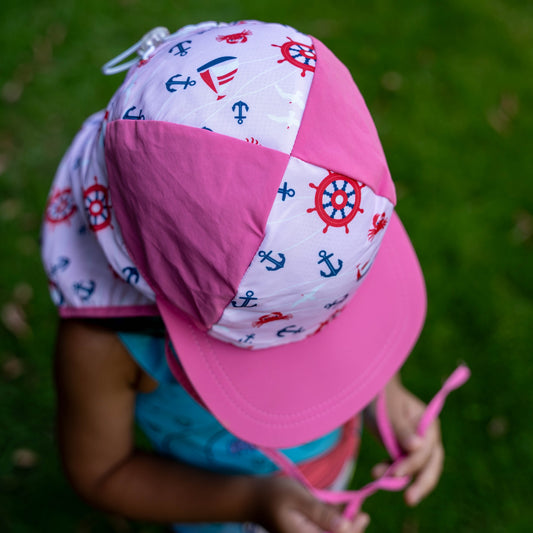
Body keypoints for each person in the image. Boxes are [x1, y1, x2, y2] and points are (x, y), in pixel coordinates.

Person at [42, 20, 451, 533]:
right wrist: (250, 501)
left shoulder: (325, 220)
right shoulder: (102, 345)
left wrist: (381, 392)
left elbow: (336, 309)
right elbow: (102, 473)